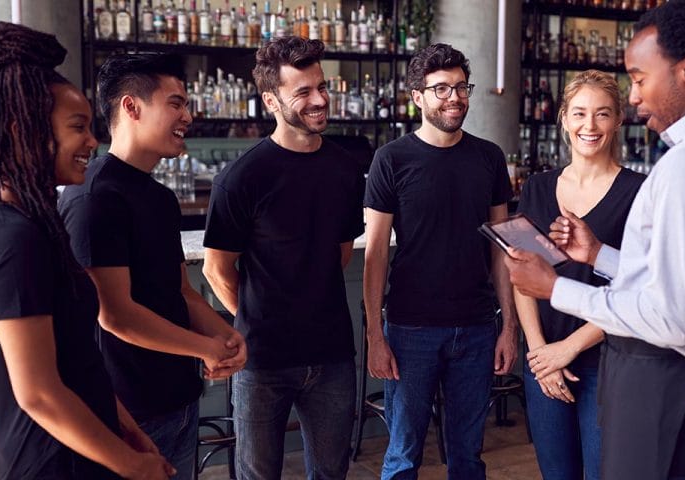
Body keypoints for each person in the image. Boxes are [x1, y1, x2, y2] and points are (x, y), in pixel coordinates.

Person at [504, 1, 685, 479]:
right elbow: (682, 275)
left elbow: (671, 319)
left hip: (672, 396)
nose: (634, 96)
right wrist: (597, 254)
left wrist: (555, 288)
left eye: (640, 77)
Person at [0, 22, 173, 479]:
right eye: (77, 127)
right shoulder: (8, 237)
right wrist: (130, 463)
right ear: (24, 129)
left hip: (81, 458)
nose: (92, 142)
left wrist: (129, 431)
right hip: (46, 466)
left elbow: (78, 360)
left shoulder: (36, 222)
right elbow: (38, 392)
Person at [59, 53, 247, 479]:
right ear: (131, 106)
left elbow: (179, 292)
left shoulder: (159, 197)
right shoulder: (94, 197)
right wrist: (204, 348)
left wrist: (226, 336)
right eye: (176, 103)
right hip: (126, 409)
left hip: (178, 397)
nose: (188, 115)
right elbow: (115, 316)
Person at [201, 36, 363, 479]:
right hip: (263, 360)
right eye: (304, 92)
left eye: (322, 87)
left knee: (331, 474)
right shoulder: (242, 177)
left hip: (332, 355)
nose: (319, 100)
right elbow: (216, 270)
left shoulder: (345, 168)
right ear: (271, 100)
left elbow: (340, 253)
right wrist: (261, 319)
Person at [363, 43, 518, 479]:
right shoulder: (391, 159)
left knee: (468, 456)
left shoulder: (489, 157)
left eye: (461, 87)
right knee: (402, 455)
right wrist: (376, 335)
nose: (455, 97)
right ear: (417, 97)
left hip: (476, 326)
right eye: (442, 89)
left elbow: (501, 247)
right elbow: (375, 255)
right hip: (411, 328)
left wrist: (509, 327)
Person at [516, 70, 645, 480]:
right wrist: (541, 354)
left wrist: (568, 348)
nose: (590, 126)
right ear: (564, 118)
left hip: (607, 362)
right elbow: (523, 276)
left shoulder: (640, 192)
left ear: (619, 119)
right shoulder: (537, 187)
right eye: (580, 114)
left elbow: (638, 289)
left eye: (602, 114)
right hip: (544, 359)